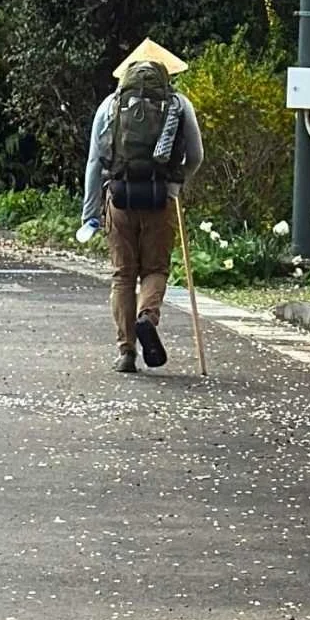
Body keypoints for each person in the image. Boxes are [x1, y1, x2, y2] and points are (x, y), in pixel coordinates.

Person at [78, 37, 204, 374]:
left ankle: (126, 351)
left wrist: (89, 214)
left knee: (123, 275)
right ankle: (147, 317)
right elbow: (196, 156)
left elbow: (94, 161)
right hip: (160, 197)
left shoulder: (111, 105)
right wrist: (176, 183)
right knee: (155, 269)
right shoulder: (179, 104)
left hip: (119, 196)